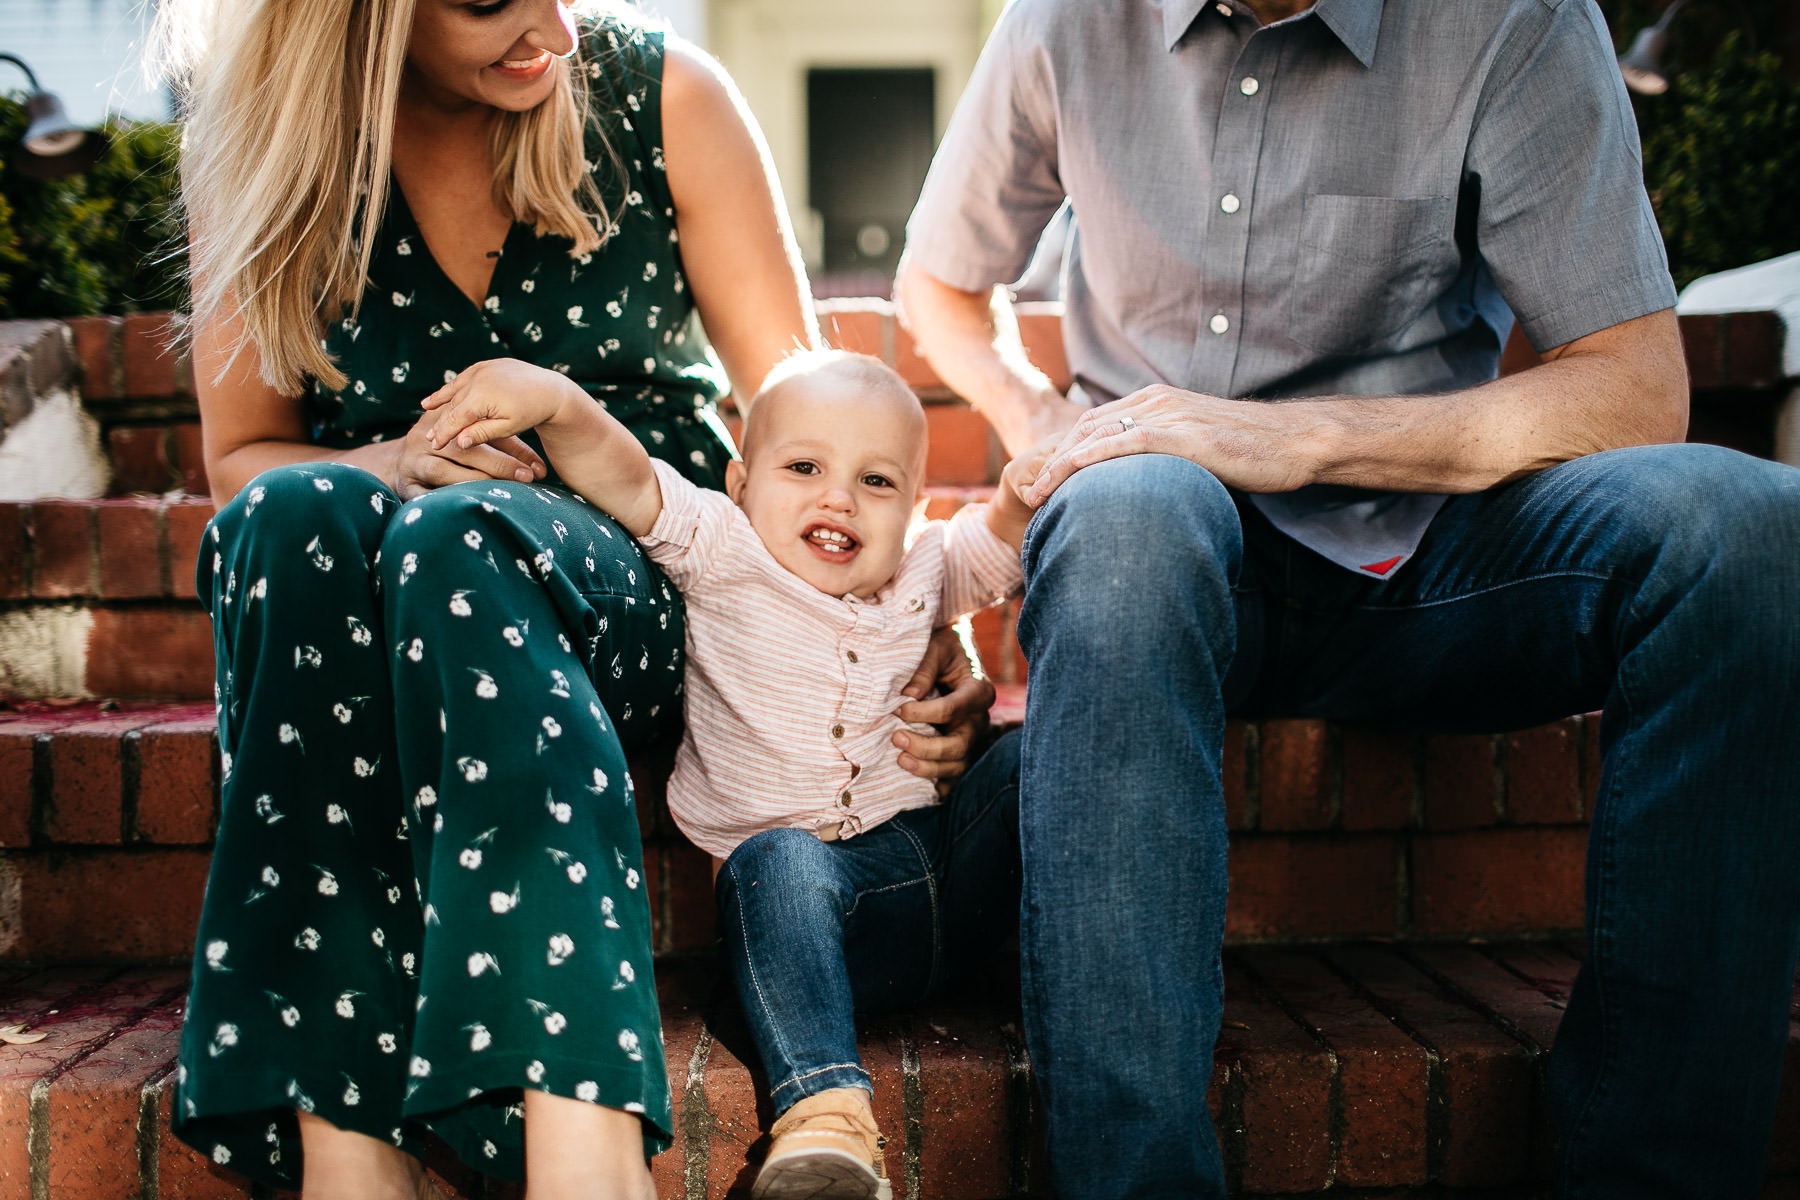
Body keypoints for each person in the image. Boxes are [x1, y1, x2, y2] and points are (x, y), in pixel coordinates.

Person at [895, 1, 1800, 1197]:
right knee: (1120, 521)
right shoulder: (1065, 18)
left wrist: (1299, 437)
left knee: (1751, 532)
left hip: (1437, 550)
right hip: (1161, 558)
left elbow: (1634, 390)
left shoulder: (1515, 19)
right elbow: (938, 287)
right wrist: (1054, 431)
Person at [161, 2, 993, 1195]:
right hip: (364, 610)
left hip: (627, 592)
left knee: (458, 532)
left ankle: (581, 1141)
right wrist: (394, 458)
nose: (551, 27)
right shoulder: (253, 141)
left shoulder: (664, 99)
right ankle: (348, 1149)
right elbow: (244, 456)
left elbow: (820, 424)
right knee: (292, 516)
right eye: (493, 0)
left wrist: (920, 618)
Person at [423, 348, 1040, 1199]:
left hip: (947, 877)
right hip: (823, 924)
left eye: (877, 482)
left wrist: (1022, 486)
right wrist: (559, 405)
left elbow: (1004, 537)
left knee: (1039, 747)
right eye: (805, 467)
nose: (838, 498)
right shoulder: (721, 547)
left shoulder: (927, 566)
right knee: (773, 862)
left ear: (914, 509)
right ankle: (826, 1120)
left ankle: (1080, 988)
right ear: (740, 483)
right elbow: (631, 477)